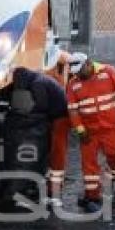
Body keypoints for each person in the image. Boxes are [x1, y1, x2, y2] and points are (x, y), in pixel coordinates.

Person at [66, 53, 115, 213]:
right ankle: (92, 196)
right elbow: (73, 111)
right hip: (90, 132)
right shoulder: (73, 84)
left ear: (88, 64)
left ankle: (114, 179)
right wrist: (80, 130)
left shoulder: (109, 72)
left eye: (80, 71)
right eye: (74, 72)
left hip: (111, 128)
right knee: (89, 165)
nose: (77, 75)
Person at [0, 66, 68, 208]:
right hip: (55, 114)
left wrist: (24, 115)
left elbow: (41, 105)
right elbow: (12, 91)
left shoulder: (38, 83)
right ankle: (39, 185)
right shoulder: (34, 78)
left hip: (60, 117)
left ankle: (53, 189)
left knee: (56, 151)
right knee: (43, 152)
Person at [44, 51, 71, 206]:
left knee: (57, 154)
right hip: (60, 115)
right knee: (56, 153)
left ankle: (54, 192)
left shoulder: (60, 60)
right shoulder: (63, 60)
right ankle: (53, 191)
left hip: (60, 116)